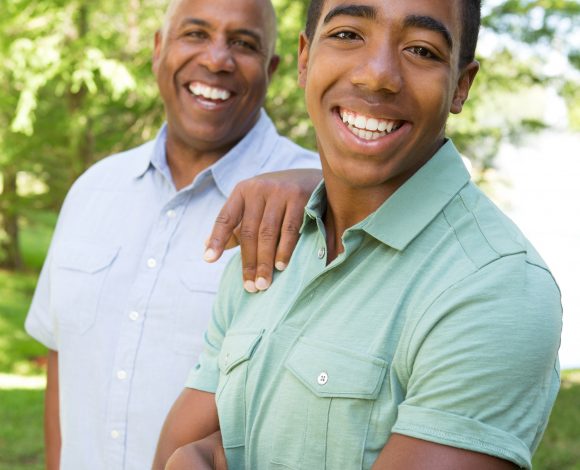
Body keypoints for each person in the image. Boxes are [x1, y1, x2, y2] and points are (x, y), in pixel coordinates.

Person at [154, 0, 563, 468]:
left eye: (422, 50)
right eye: (348, 35)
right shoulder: (274, 240)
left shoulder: (494, 288)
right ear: (305, 59)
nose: (377, 75)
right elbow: (175, 452)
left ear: (460, 87)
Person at [24, 0, 322, 468]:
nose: (216, 59)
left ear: (273, 68)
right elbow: (64, 362)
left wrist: (325, 187)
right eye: (196, 34)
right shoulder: (92, 191)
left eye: (243, 44)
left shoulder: (322, 199)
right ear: (159, 49)